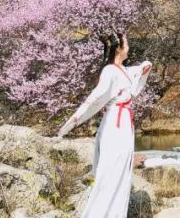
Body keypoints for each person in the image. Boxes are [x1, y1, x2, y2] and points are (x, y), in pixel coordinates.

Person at [57, 33, 152, 218]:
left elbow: (136, 74)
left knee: (121, 168)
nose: (129, 47)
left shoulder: (121, 70)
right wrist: (71, 123)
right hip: (116, 124)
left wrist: (145, 67)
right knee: (110, 169)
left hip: (123, 122)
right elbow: (94, 99)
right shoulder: (109, 71)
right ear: (118, 48)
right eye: (127, 44)